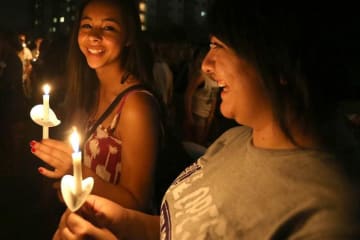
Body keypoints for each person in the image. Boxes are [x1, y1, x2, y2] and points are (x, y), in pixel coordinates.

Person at [54, 0, 360, 239]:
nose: (206, 64)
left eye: (219, 47)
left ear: (280, 60)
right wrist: (120, 221)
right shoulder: (236, 140)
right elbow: (181, 228)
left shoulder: (327, 216)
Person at [30, 0, 161, 214]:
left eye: (109, 27)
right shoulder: (91, 93)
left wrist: (77, 171)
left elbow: (138, 203)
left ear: (128, 37)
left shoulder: (136, 105)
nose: (94, 36)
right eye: (87, 25)